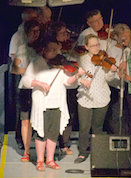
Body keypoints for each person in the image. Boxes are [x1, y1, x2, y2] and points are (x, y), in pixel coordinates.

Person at [21, 37, 85, 171]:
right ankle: (40, 160)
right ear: (44, 49)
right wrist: (39, 83)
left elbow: (67, 82)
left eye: (57, 49)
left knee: (53, 133)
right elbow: (26, 80)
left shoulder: (59, 65)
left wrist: (77, 76)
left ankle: (50, 159)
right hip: (43, 105)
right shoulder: (37, 62)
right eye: (52, 49)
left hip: (57, 104)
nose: (56, 52)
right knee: (42, 133)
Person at [74, 34, 117, 163]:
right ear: (86, 47)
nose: (96, 48)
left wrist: (111, 71)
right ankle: (82, 152)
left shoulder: (104, 59)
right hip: (85, 97)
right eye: (92, 46)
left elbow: (108, 79)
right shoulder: (81, 59)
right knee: (84, 127)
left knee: (98, 127)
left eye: (97, 45)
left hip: (101, 96)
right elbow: (74, 77)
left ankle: (97, 151)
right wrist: (81, 80)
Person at [10, 19, 41, 161]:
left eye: (38, 31)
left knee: (41, 121)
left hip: (40, 89)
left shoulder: (43, 47)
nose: (35, 34)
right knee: (25, 120)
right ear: (27, 33)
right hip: (26, 89)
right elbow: (14, 69)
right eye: (32, 31)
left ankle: (43, 152)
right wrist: (29, 72)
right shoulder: (22, 48)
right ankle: (27, 151)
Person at [49, 21, 77, 155]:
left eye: (67, 32)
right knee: (54, 116)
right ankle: (52, 143)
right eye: (62, 33)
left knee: (69, 115)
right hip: (55, 88)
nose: (66, 36)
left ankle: (64, 143)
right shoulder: (51, 50)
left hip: (70, 86)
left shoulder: (72, 48)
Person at [105, 23, 130, 134]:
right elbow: (108, 68)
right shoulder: (112, 50)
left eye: (128, 37)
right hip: (115, 86)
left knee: (127, 114)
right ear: (117, 38)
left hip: (128, 86)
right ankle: (116, 134)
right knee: (116, 113)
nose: (126, 40)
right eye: (123, 37)